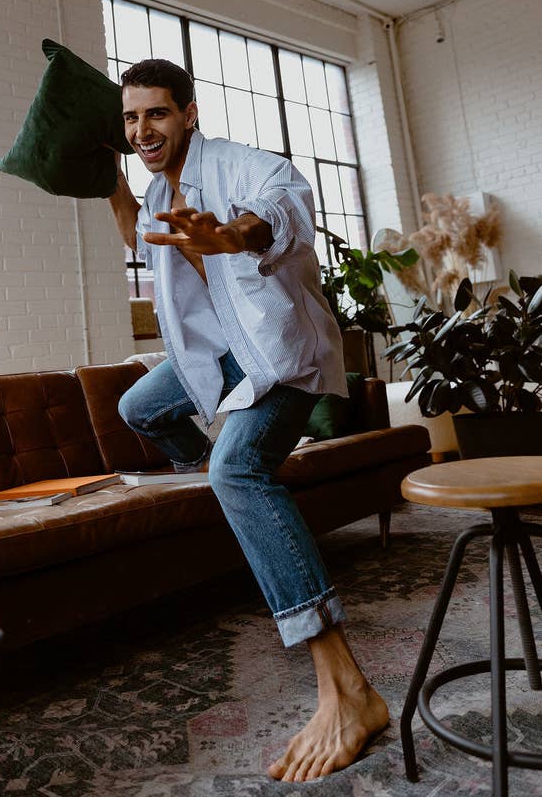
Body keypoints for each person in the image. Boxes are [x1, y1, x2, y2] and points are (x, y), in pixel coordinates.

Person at [108, 57, 388, 782]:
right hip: (218, 360)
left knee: (239, 469)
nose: (144, 129)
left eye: (158, 113)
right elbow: (137, 239)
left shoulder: (238, 167)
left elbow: (286, 202)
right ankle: (232, 490)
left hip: (276, 352)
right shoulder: (153, 188)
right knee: (138, 405)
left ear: (189, 113)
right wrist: (107, 180)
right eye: (133, 117)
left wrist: (237, 235)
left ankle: (348, 689)